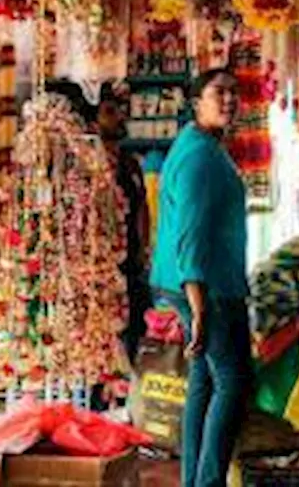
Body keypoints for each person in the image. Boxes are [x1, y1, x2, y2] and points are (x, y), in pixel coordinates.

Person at [149, 68, 253, 487]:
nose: (229, 100)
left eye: (234, 93)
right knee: (232, 381)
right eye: (218, 93)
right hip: (203, 285)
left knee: (205, 381)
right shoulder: (199, 156)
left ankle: (196, 479)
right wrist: (199, 305)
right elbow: (191, 232)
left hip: (201, 281)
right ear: (197, 101)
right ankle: (207, 480)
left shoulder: (202, 146)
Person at [95, 82, 152, 364]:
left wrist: (144, 247)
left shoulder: (130, 164)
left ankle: (129, 389)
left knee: (135, 326)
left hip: (130, 261)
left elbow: (142, 206)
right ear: (94, 121)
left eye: (120, 111)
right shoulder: (89, 166)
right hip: (101, 264)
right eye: (109, 112)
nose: (119, 117)